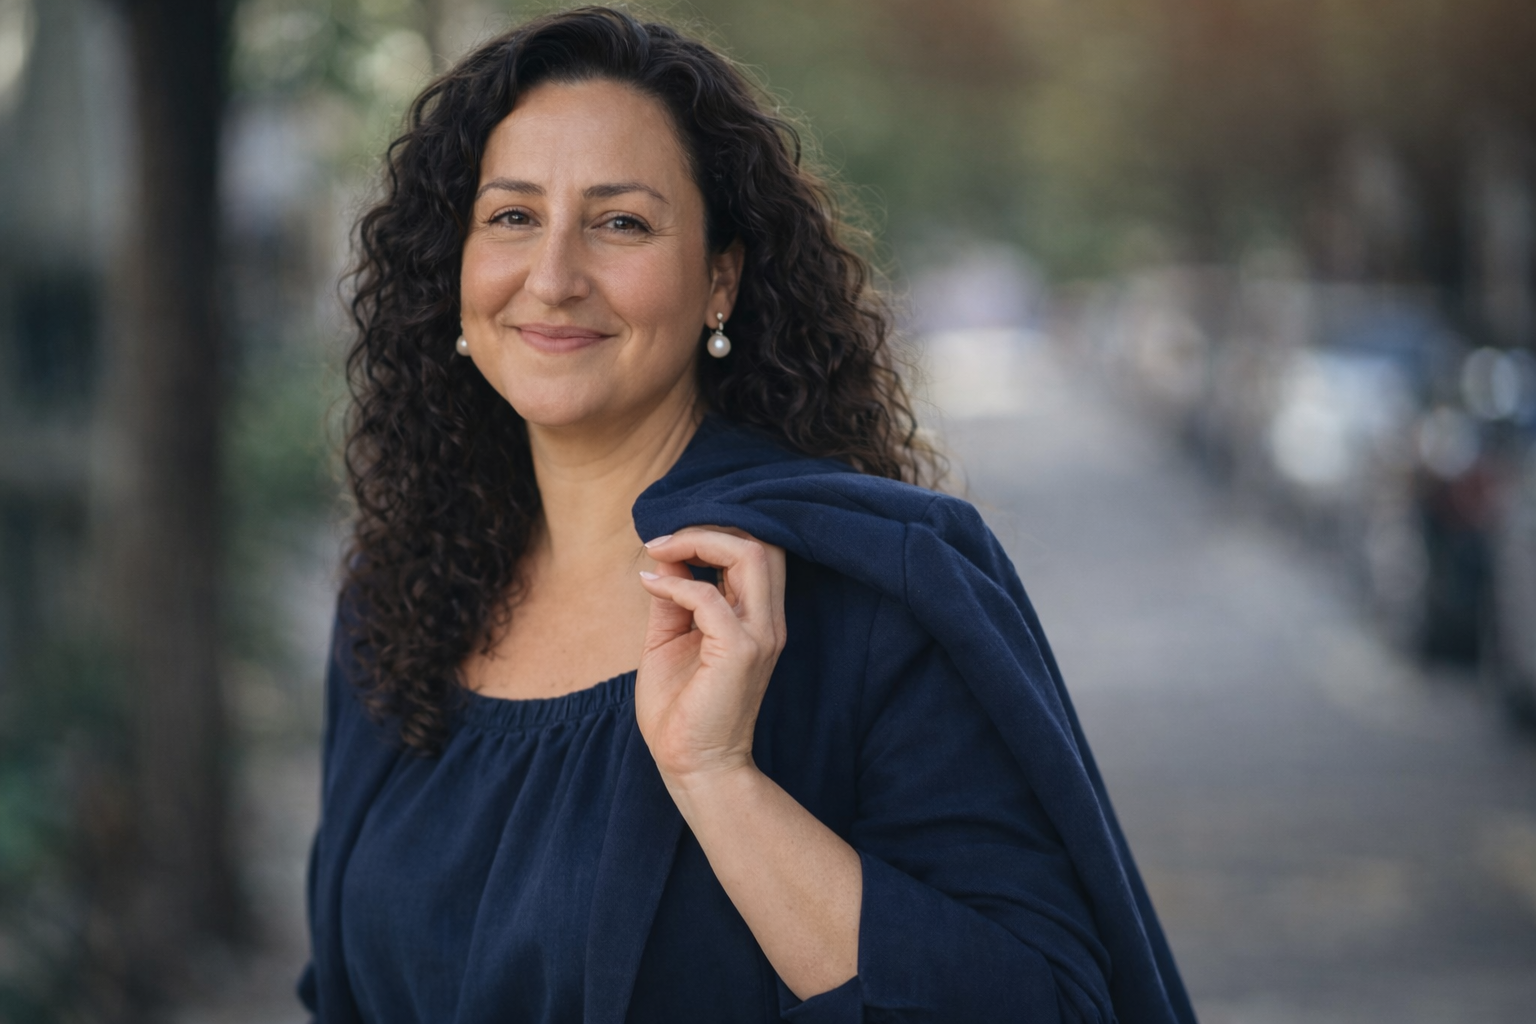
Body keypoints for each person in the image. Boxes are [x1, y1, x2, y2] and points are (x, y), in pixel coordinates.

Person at [299, 7, 1195, 1023]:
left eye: (621, 221)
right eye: (510, 217)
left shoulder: (871, 596)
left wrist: (719, 777)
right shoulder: (399, 603)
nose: (552, 277)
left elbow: (1042, 1006)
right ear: (450, 270)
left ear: (720, 279)